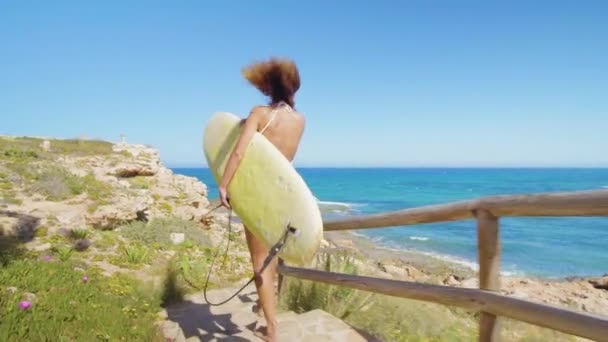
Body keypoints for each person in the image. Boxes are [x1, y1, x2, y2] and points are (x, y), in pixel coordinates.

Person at [217, 57, 305, 342]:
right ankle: (264, 308)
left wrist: (224, 185)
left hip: (259, 195)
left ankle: (271, 329)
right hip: (284, 196)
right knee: (272, 259)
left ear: (269, 87)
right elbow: (282, 158)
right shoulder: (300, 120)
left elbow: (239, 153)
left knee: (260, 264)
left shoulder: (259, 113)